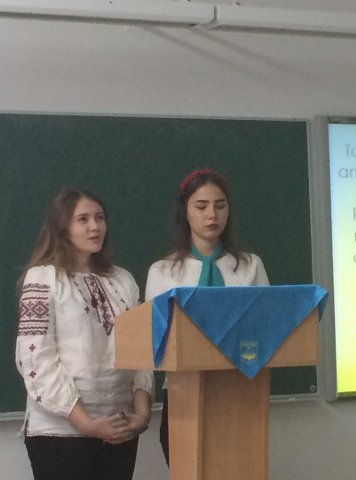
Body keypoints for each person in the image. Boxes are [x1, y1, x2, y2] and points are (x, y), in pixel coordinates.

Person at [15, 187, 154, 480]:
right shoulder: (42, 278)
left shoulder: (123, 280)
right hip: (60, 433)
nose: (95, 226)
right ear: (62, 227)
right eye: (83, 219)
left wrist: (142, 414)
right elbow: (36, 360)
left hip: (118, 429)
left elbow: (141, 351)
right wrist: (86, 423)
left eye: (99, 218)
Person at [145, 168, 269, 465]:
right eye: (201, 206)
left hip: (241, 392)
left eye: (220, 205)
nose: (212, 214)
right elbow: (152, 339)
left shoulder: (250, 265)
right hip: (182, 394)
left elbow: (267, 328)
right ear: (185, 212)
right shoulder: (163, 271)